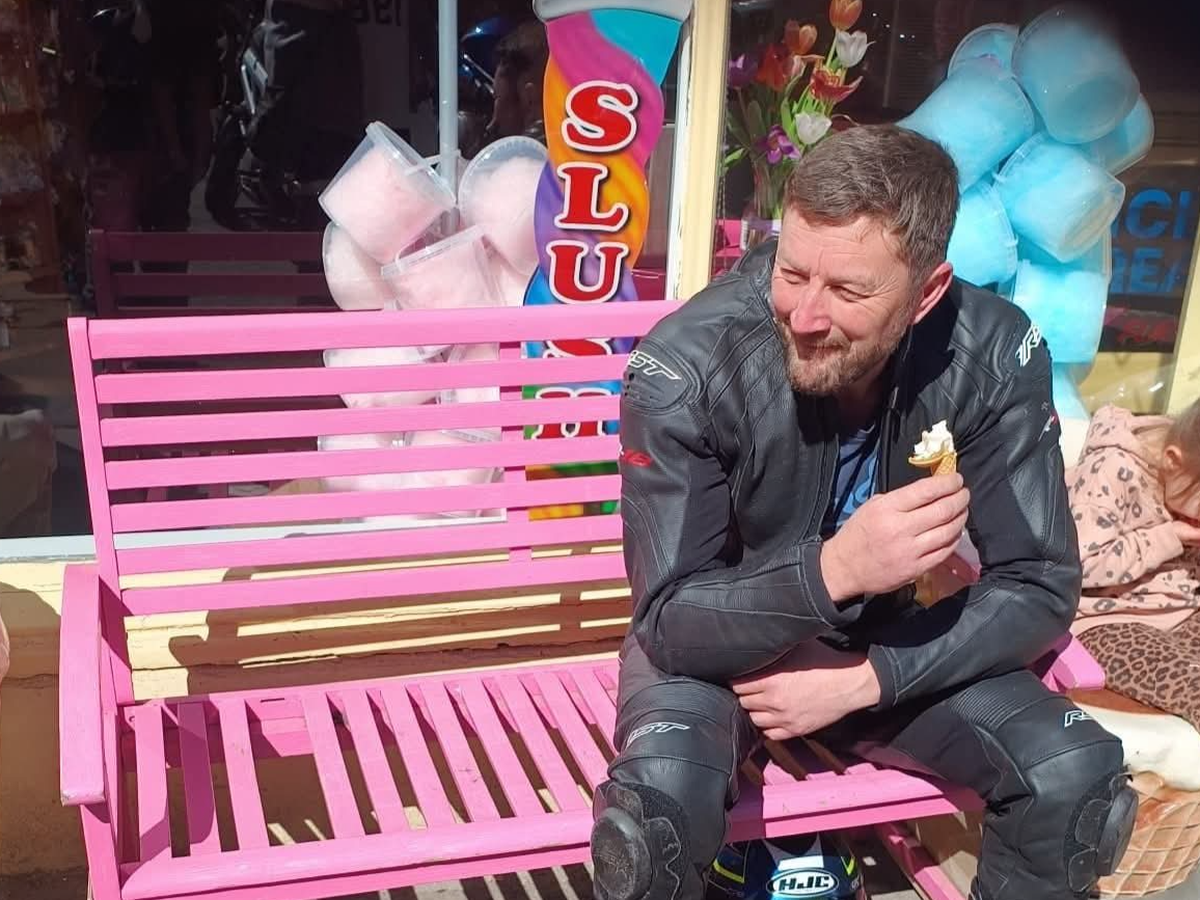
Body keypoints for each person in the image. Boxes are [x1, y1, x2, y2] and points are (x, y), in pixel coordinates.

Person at [590, 124, 1137, 900]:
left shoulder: (990, 352)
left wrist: (869, 677)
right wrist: (835, 571)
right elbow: (671, 622)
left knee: (1077, 778)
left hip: (881, 652)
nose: (805, 314)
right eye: (792, 272)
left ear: (927, 292)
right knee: (655, 824)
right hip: (713, 656)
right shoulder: (686, 367)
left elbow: (1038, 582)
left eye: (848, 292)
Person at [1067, 399, 1200, 731]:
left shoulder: (1185, 468)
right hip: (1109, 617)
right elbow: (1082, 564)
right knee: (1190, 683)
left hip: (1182, 607)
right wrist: (1170, 536)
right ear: (1173, 461)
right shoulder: (1112, 470)